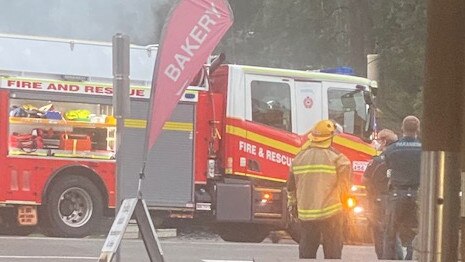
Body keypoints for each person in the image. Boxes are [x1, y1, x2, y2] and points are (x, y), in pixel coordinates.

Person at [287, 119, 351, 259]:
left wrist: (293, 205)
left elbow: (291, 188)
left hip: (306, 213)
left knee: (307, 249)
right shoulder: (339, 159)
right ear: (330, 138)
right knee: (333, 250)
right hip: (332, 213)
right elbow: (344, 189)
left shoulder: (298, 158)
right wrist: (346, 210)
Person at [382, 116, 421, 260]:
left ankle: (390, 259)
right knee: (415, 232)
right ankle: (410, 258)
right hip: (418, 196)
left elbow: (387, 167)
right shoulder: (423, 149)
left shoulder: (392, 149)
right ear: (418, 129)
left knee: (390, 232)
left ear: (402, 128)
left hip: (397, 195)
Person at [363, 129, 403, 259]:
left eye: (379, 140)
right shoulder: (400, 159)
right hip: (397, 198)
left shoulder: (378, 160)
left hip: (379, 200)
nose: (377, 143)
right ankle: (398, 257)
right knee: (393, 231)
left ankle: (383, 258)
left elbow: (365, 179)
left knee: (380, 231)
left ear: (384, 141)